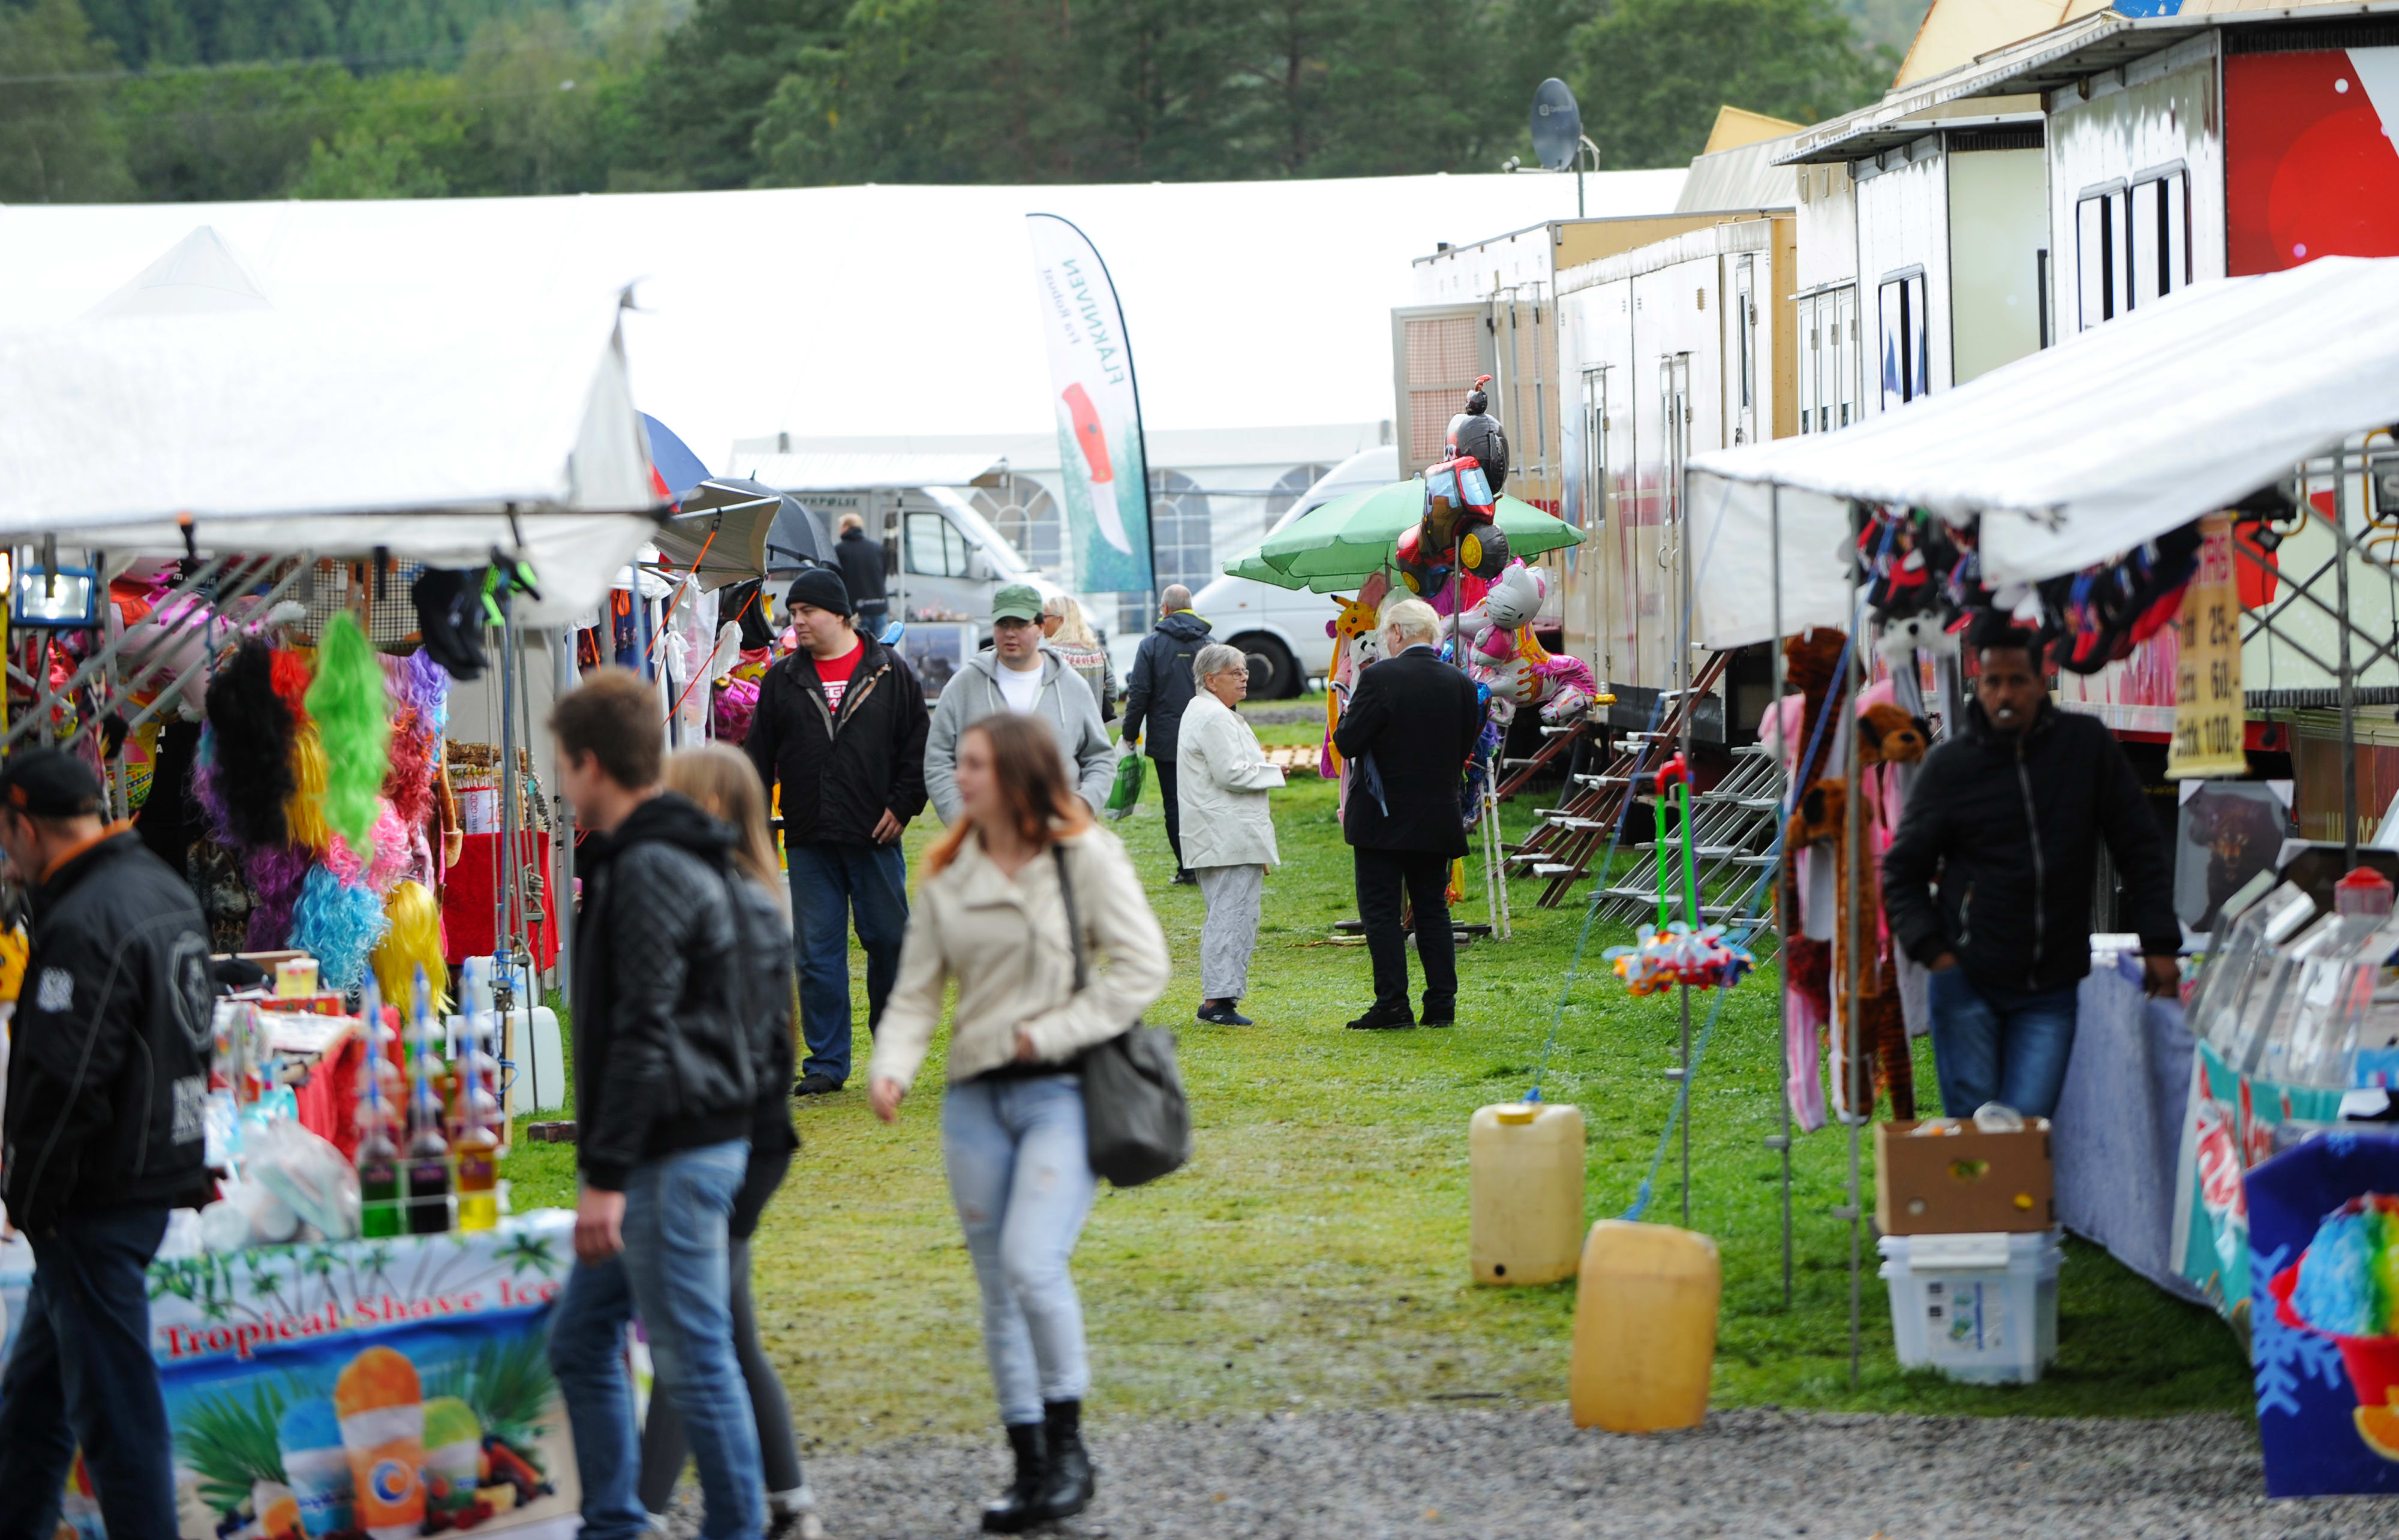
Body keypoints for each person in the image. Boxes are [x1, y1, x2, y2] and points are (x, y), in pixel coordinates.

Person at [869, 713, 1168, 1535]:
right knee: (998, 1287)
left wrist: (1056, 1031)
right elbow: (916, 993)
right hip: (974, 1101)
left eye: (972, 764)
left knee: (1033, 1263)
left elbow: (1143, 967)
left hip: (1062, 1093)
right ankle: (1029, 1465)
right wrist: (892, 1067)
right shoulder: (949, 871)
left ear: (1015, 774)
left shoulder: (1084, 856)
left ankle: (1070, 1451)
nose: (957, 777)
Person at [544, 669, 764, 1540]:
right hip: (665, 1143)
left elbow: (642, 1030)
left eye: (564, 767)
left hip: (671, 1149)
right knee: (581, 1340)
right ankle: (614, 1522)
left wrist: (604, 1176)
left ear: (592, 764)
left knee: (694, 1358)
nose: (563, 787)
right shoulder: (651, 856)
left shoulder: (649, 866)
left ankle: (736, 1526)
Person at [0, 748, 215, 1540]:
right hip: (141, 1177)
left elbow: (66, 1080)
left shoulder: (87, 914)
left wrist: (31, 1198)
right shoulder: (158, 885)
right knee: (37, 1403)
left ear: (25, 828)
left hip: (98, 1197)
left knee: (117, 1418)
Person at [1882, 619, 2179, 1120]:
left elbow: (2140, 849)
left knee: (2026, 1129)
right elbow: (1902, 871)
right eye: (1993, 681)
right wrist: (1934, 953)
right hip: (1966, 981)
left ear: (2043, 682)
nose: (2004, 694)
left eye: (2017, 681)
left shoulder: (2086, 747)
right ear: (1978, 683)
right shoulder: (1950, 765)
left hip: (2050, 988)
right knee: (1977, 1139)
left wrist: (2160, 944)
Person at [642, 744, 820, 1538]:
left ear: (707, 809)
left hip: (725, 1145)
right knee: (728, 1332)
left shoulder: (726, 903)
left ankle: (639, 1511)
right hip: (744, 1142)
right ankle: (790, 1502)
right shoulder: (750, 895)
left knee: (692, 1343)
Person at [745, 566, 928, 1096]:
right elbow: (758, 758)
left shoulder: (889, 671)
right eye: (793, 613)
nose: (796, 622)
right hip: (808, 837)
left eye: (808, 612)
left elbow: (918, 745)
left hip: (876, 836)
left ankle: (892, 1054)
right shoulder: (782, 679)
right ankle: (826, 1063)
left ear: (841, 615)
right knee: (816, 953)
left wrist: (904, 805)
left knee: (889, 942)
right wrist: (753, 824)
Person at [1331, 597, 1484, 1031]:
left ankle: (1393, 1004)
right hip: (1437, 811)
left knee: (1381, 911)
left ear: (1397, 632)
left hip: (1382, 816)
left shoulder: (1379, 677)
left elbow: (1348, 742)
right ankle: (1441, 1004)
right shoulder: (1461, 682)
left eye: (1386, 633)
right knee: (1432, 908)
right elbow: (1464, 746)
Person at [925, 582, 1117, 823]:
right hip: (986, 836)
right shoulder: (963, 686)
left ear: (1041, 627)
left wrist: (1082, 805)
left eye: (1020, 624)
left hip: (1059, 834)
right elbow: (938, 761)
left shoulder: (1072, 686)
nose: (1010, 633)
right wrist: (963, 821)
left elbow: (1101, 758)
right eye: (1003, 624)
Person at [1177, 642, 1285, 1025]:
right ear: (1211, 680)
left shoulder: (1210, 711)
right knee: (1230, 916)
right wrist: (1274, 773)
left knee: (1234, 914)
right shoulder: (1213, 717)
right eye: (1235, 672)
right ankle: (1217, 1001)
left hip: (1224, 833)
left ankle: (1223, 997)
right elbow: (1231, 773)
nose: (1244, 678)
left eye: (1245, 671)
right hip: (1225, 834)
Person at [1119, 585, 1213, 884]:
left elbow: (1139, 693)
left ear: (1165, 609)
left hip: (1167, 739)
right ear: (1191, 608)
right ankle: (1211, 862)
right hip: (1207, 737)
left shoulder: (1151, 645)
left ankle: (1187, 868)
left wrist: (1130, 733)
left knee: (1174, 804)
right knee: (1206, 800)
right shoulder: (1210, 644)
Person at [1041, 593, 1116, 722]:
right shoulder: (1097, 653)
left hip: (1063, 731)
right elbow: (1113, 694)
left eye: (1044, 617)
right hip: (1094, 730)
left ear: (1060, 620)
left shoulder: (1052, 656)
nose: (1041, 623)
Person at [834, 511, 889, 636]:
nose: (839, 530)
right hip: (880, 607)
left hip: (856, 610)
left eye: (840, 527)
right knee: (880, 645)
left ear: (846, 527)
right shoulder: (877, 548)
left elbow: (835, 580)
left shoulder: (840, 550)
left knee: (861, 645)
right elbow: (884, 575)